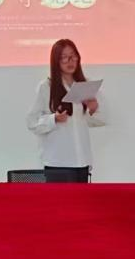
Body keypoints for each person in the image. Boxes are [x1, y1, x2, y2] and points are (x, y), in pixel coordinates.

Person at [25, 38, 105, 182]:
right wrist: (54, 119)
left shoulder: (85, 84)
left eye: (73, 56)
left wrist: (93, 109)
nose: (70, 61)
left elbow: (93, 121)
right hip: (58, 162)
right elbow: (32, 122)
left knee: (82, 198)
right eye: (64, 57)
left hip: (81, 160)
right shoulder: (46, 87)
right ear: (56, 61)